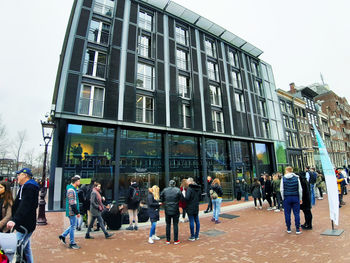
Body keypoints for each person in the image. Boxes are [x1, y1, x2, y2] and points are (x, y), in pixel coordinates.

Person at [7, 168, 39, 262]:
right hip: (25, 223)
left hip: (24, 224)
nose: (17, 176)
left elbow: (25, 205)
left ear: (25, 175)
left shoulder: (29, 187)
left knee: (18, 247)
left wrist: (15, 220)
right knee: (25, 248)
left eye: (19, 174)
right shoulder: (26, 186)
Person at [59, 176, 81, 249]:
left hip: (71, 210)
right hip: (72, 211)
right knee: (73, 226)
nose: (80, 182)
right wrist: (77, 212)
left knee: (72, 225)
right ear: (75, 182)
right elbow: (72, 202)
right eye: (79, 181)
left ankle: (63, 235)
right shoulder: (71, 190)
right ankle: (72, 243)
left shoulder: (72, 189)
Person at [280, 166, 303, 234]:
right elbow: (300, 189)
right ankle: (297, 229)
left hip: (287, 197)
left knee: (287, 213)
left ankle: (288, 228)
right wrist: (300, 198)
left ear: (286, 171)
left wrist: (283, 198)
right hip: (295, 197)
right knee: (296, 213)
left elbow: (282, 189)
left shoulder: (283, 178)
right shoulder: (296, 178)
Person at [160, 180, 182, 244]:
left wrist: (164, 202)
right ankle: (176, 240)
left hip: (167, 209)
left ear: (169, 184)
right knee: (175, 224)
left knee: (168, 224)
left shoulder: (165, 190)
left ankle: (168, 240)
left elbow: (161, 198)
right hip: (175, 209)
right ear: (174, 184)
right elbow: (181, 199)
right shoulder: (177, 190)